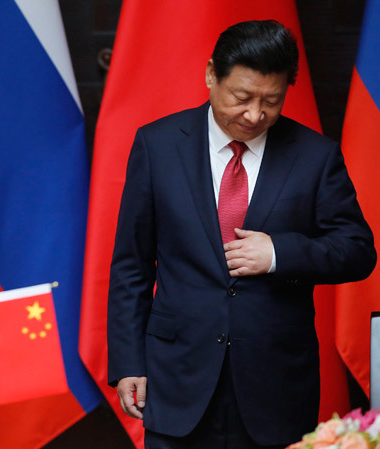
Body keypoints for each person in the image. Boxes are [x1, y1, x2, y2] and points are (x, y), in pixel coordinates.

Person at [107, 20, 376, 449]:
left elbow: (359, 251)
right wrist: (127, 363)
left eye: (272, 101)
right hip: (177, 379)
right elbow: (130, 266)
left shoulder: (315, 156)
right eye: (242, 97)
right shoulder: (157, 145)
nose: (255, 115)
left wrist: (278, 254)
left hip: (276, 386)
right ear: (212, 74)